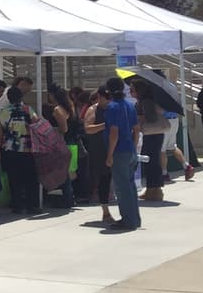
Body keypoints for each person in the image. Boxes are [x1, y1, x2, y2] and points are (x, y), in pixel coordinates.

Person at [104, 77, 141, 230]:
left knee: (122, 188)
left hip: (119, 151)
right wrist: (133, 146)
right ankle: (134, 219)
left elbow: (114, 133)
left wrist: (109, 155)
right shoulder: (130, 105)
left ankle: (128, 220)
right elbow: (136, 129)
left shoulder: (112, 107)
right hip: (130, 150)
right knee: (130, 186)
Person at [0, 85, 37, 214]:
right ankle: (32, 205)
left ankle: (17, 205)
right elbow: (37, 124)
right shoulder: (28, 110)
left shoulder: (3, 112)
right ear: (21, 97)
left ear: (8, 97)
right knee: (30, 179)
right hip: (28, 149)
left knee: (14, 179)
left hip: (10, 150)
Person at [132, 80, 168, 202]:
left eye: (133, 89)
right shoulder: (142, 101)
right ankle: (151, 189)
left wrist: (139, 117)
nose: (131, 92)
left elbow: (151, 117)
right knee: (150, 162)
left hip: (152, 134)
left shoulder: (146, 101)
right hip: (150, 134)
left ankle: (156, 190)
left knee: (152, 162)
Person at [83, 87, 115, 225]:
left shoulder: (114, 108)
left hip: (114, 148)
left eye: (110, 98)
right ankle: (105, 210)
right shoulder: (93, 110)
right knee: (104, 178)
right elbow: (88, 128)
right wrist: (104, 125)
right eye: (105, 98)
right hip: (99, 149)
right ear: (99, 97)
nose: (108, 101)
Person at [48, 84, 80, 208]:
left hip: (62, 143)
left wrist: (51, 130)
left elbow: (63, 129)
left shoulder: (57, 110)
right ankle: (69, 197)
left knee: (63, 174)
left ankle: (67, 199)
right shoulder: (70, 106)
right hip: (71, 142)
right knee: (67, 172)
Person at [159, 111, 194, 183]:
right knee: (172, 146)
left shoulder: (159, 100)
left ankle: (164, 174)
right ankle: (187, 166)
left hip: (164, 121)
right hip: (174, 120)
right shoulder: (171, 100)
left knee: (162, 149)